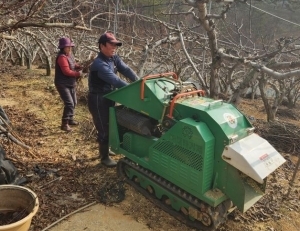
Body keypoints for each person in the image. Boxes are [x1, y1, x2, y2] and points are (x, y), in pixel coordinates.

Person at [88, 32, 139, 167]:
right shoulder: (99, 64)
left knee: (110, 124)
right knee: (104, 128)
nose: (114, 47)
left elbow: (126, 70)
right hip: (98, 99)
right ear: (102, 46)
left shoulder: (113, 58)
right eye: (111, 45)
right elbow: (116, 81)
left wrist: (139, 82)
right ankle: (104, 158)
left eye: (115, 45)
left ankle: (105, 150)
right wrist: (135, 91)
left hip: (109, 96)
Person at [55, 37, 82, 132]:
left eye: (70, 46)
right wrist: (78, 74)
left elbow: (73, 65)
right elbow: (66, 71)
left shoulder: (69, 55)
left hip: (71, 82)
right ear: (63, 48)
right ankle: (64, 124)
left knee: (74, 102)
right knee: (69, 103)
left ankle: (70, 119)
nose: (70, 48)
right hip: (62, 83)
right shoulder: (61, 57)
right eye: (67, 47)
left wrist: (79, 66)